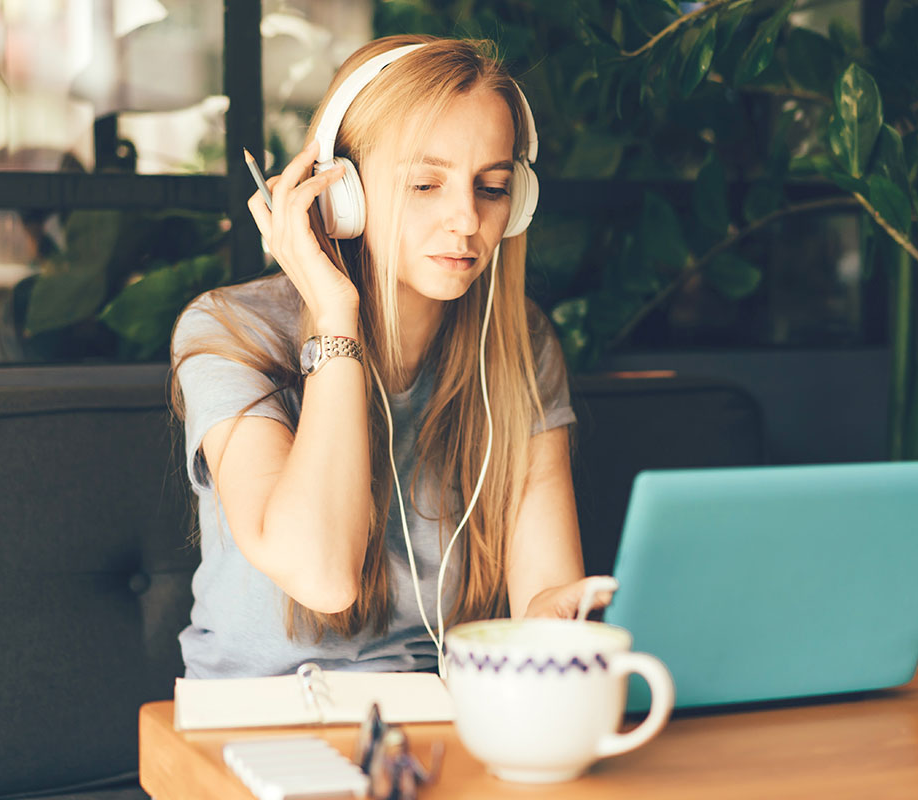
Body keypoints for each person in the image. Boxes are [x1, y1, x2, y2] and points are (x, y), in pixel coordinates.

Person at [169, 34, 613, 679]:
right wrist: (333, 316)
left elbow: (542, 593)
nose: (465, 219)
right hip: (261, 713)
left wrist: (555, 620)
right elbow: (322, 576)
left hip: (439, 709)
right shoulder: (229, 332)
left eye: (490, 188)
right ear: (339, 193)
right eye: (426, 184)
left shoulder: (519, 344)